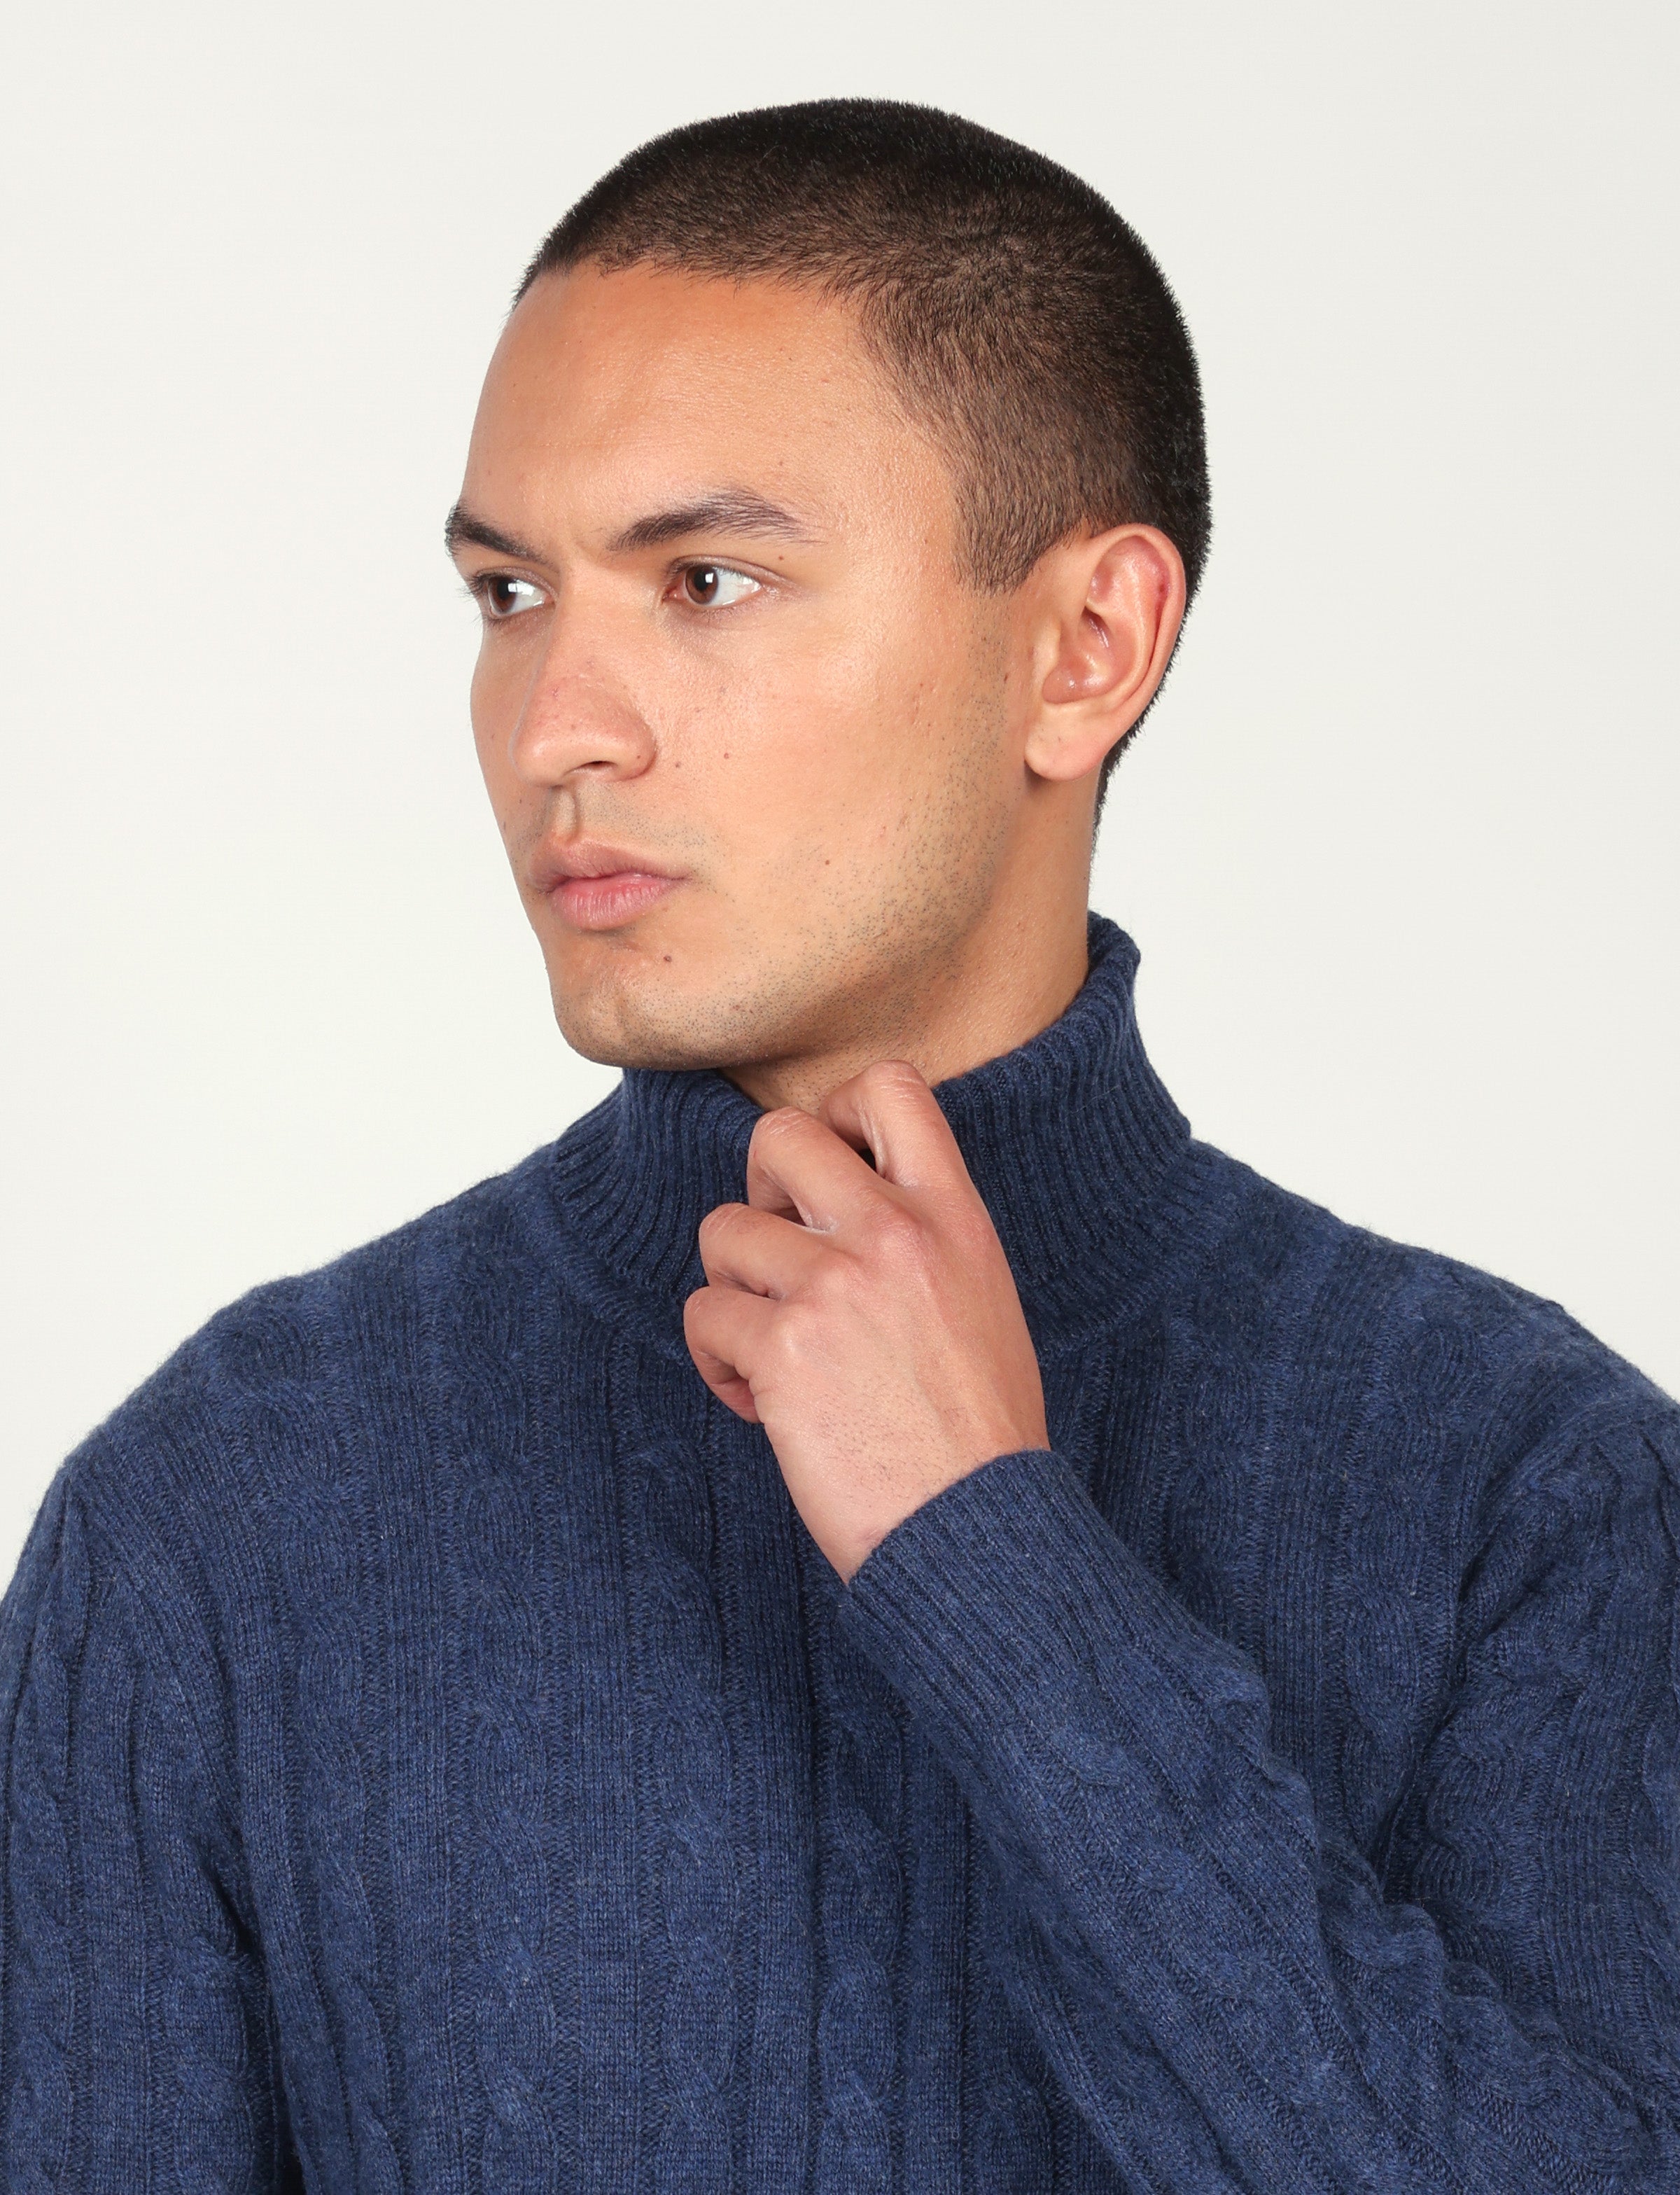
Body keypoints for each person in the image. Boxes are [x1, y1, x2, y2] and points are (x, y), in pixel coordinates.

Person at [1, 95, 1674, 2193]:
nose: (557, 728)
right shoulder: (216, 1517)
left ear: (1087, 648)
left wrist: (990, 1562)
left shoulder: (1529, 1495)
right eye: (509, 593)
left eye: (706, 581)